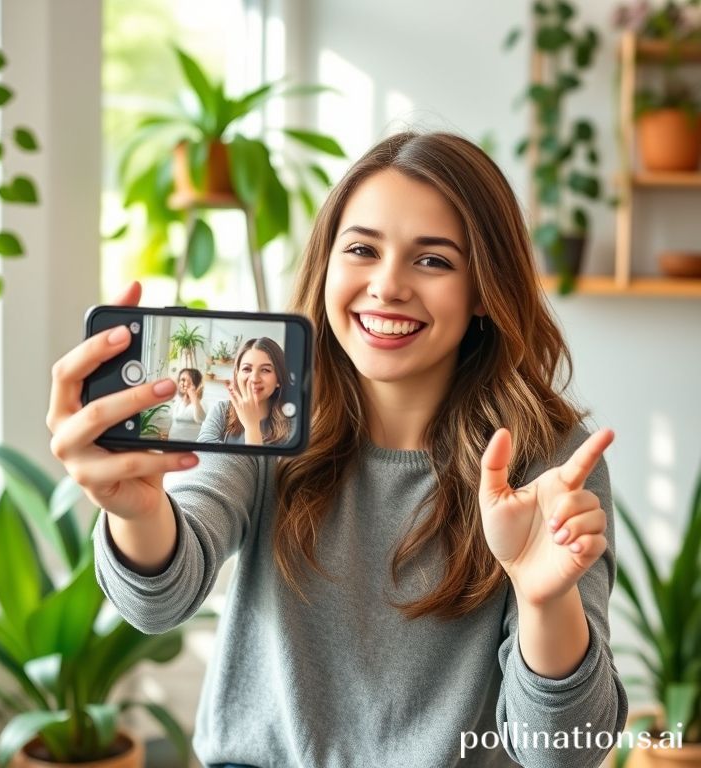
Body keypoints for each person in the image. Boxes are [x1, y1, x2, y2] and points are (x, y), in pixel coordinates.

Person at [47, 131, 628, 768]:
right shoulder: (257, 409)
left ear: (485, 289)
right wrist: (135, 512)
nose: (388, 286)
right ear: (326, 264)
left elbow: (563, 751)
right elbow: (159, 602)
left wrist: (544, 600)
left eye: (432, 261)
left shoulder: (550, 465)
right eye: (361, 250)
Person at [199, 337, 290, 446]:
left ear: (278, 379)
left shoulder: (291, 422)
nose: (254, 379)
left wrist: (251, 426)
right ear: (237, 375)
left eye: (265, 370)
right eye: (247, 369)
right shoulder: (221, 411)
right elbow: (205, 457)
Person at [167, 367, 206, 441]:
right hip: (173, 445)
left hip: (191, 447)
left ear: (194, 383)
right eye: (180, 380)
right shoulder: (178, 402)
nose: (181, 383)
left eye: (184, 380)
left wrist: (193, 397)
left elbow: (201, 420)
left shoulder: (202, 403)